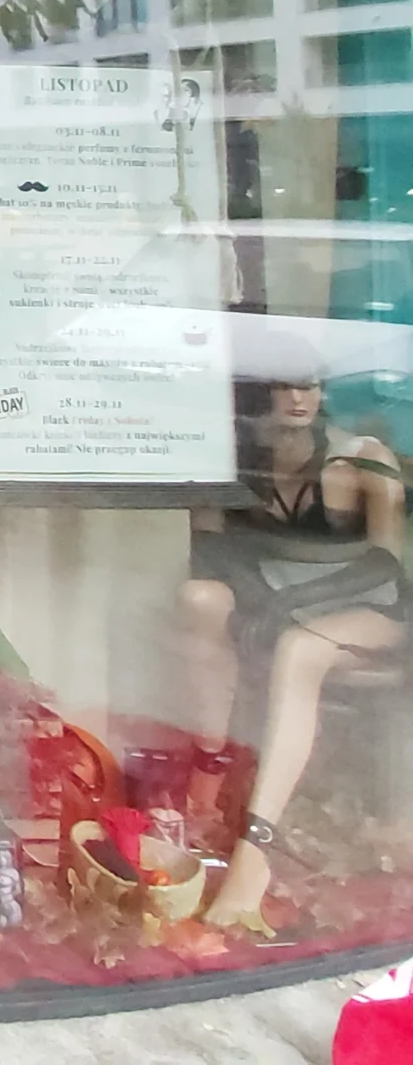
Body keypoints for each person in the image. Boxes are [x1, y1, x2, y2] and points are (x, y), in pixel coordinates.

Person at [179, 345, 405, 925]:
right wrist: (260, 597)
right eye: (285, 385)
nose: (299, 398)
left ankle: (258, 844)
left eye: (310, 385)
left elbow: (384, 562)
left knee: (299, 647)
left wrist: (289, 604)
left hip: (370, 609)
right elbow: (208, 550)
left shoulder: (361, 461)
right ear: (262, 394)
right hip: (276, 600)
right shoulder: (236, 461)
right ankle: (209, 772)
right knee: (198, 598)